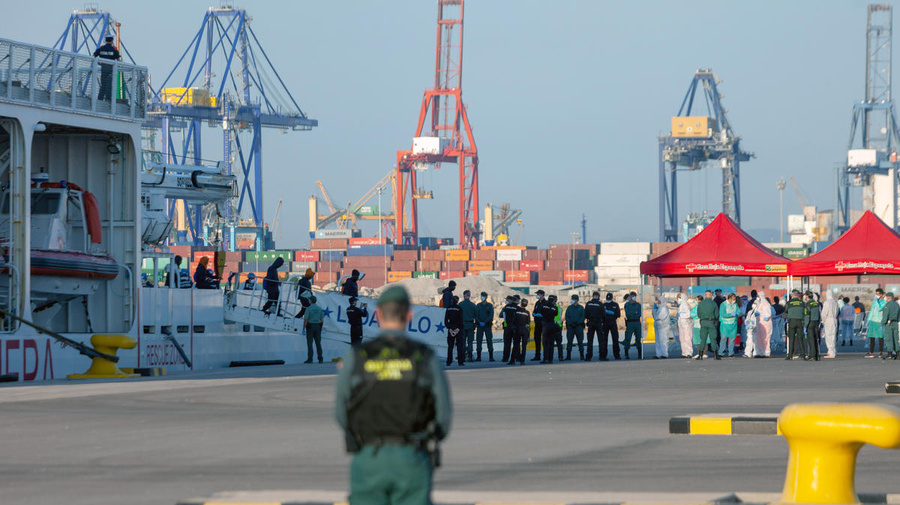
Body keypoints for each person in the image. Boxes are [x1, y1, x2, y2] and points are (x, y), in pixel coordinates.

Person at [334, 285, 451, 505]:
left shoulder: (358, 356)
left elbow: (341, 411)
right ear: (409, 315)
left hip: (368, 458)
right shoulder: (423, 356)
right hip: (411, 457)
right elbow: (443, 415)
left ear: (378, 315)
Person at [93, 35, 121, 102]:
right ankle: (108, 99)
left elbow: (94, 56)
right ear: (112, 40)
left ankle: (100, 99)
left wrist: (99, 63)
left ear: (105, 40)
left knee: (103, 84)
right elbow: (118, 60)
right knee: (109, 85)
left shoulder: (101, 48)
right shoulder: (114, 49)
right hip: (110, 69)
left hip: (103, 69)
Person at [696, 291, 720, 360]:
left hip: (703, 321)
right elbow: (716, 315)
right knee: (713, 338)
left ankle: (700, 354)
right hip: (711, 322)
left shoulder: (701, 303)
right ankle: (715, 354)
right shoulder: (713, 303)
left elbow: (698, 314)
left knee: (703, 339)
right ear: (710, 295)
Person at [785, 290, 807, 360]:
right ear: (798, 296)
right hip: (800, 321)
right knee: (800, 339)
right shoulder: (802, 303)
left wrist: (788, 318)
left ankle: (790, 355)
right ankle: (803, 355)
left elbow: (785, 313)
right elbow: (805, 313)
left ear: (792, 295)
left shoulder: (789, 303)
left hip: (792, 321)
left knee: (791, 339)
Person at [540, 295, 562, 364]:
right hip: (552, 325)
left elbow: (541, 312)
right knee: (551, 343)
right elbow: (555, 314)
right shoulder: (555, 307)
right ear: (554, 300)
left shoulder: (544, 306)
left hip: (545, 325)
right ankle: (550, 359)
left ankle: (545, 358)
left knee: (545, 343)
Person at [444, 296, 464, 366]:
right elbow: (461, 320)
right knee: (459, 347)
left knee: (450, 347)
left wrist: (449, 328)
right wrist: (458, 329)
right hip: (458, 329)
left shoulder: (448, 308)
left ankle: (449, 361)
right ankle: (460, 362)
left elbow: (446, 320)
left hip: (450, 328)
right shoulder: (459, 308)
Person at [474, 292, 494, 362]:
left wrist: (485, 322)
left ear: (486, 297)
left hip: (487, 325)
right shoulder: (478, 305)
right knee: (479, 341)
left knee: (489, 340)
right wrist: (479, 321)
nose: (483, 297)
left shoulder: (490, 305)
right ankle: (478, 356)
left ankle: (491, 357)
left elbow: (491, 315)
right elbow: (476, 315)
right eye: (482, 296)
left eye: (484, 296)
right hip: (479, 326)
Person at [458, 290, 477, 363]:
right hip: (470, 325)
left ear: (464, 295)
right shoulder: (473, 305)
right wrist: (475, 325)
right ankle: (470, 356)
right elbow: (476, 316)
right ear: (469, 295)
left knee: (463, 342)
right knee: (470, 342)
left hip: (462, 325)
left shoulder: (460, 304)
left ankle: (462, 357)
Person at [304, 296, 324, 363]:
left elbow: (306, 319)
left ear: (311, 301)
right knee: (318, 343)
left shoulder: (308, 309)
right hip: (318, 326)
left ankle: (310, 359)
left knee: (310, 343)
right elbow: (322, 319)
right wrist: (320, 327)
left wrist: (304, 327)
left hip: (310, 326)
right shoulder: (319, 309)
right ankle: (320, 359)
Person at [565, 294, 586, 361]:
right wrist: (570, 323)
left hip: (578, 327)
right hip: (570, 327)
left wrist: (578, 323)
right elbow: (566, 316)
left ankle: (582, 355)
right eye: (572, 299)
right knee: (569, 341)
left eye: (573, 299)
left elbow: (583, 317)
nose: (572, 300)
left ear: (577, 300)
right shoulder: (569, 308)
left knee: (580, 341)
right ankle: (568, 356)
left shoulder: (581, 308)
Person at [584, 292, 604, 361]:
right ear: (598, 296)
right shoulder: (600, 304)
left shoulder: (588, 303)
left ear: (593, 296)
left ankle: (588, 356)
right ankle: (602, 356)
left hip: (591, 322)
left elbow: (585, 314)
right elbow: (603, 314)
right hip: (598, 323)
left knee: (590, 341)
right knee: (601, 340)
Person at [602, 292, 622, 360]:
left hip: (613, 322)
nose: (608, 299)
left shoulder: (615, 305)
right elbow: (601, 314)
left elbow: (618, 314)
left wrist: (612, 313)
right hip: (605, 323)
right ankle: (603, 355)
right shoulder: (603, 305)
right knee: (604, 340)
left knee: (615, 339)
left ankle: (617, 355)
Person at [867, 289, 886, 358]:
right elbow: (872, 311)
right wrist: (868, 320)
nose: (876, 295)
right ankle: (871, 352)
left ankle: (880, 352)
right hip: (873, 321)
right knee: (871, 337)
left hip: (879, 321)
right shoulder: (874, 302)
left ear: (881, 295)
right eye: (876, 294)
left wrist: (877, 301)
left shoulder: (884, 302)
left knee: (880, 337)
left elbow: (879, 308)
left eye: (878, 294)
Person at [623, 292, 642, 359]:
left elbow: (639, 313)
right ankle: (626, 353)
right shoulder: (627, 305)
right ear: (630, 296)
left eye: (635, 296)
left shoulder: (638, 305)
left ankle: (640, 353)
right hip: (630, 323)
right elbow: (628, 314)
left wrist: (633, 313)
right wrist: (635, 312)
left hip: (637, 322)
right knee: (628, 338)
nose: (634, 297)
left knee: (638, 338)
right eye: (632, 296)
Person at [821, 291, 840, 359]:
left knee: (828, 336)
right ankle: (833, 350)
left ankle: (830, 352)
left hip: (828, 320)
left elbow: (824, 312)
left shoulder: (827, 302)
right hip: (834, 319)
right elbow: (837, 311)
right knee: (833, 335)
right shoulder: (835, 302)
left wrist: (823, 319)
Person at [754, 292, 774, 357]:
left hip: (766, 324)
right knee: (759, 338)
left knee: (766, 339)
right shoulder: (759, 304)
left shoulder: (766, 304)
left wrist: (761, 314)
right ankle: (760, 352)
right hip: (760, 324)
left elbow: (768, 314)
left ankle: (766, 352)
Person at [500, 296, 518, 363]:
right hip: (514, 327)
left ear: (511, 300)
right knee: (515, 343)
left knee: (507, 343)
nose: (506, 301)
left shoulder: (506, 307)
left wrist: (505, 324)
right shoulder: (517, 307)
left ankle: (505, 358)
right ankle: (515, 357)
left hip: (507, 326)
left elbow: (502, 315)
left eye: (507, 300)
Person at [882, 292, 900, 360]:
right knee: (895, 338)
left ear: (888, 297)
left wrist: (882, 323)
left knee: (889, 338)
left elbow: (885, 315)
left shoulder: (887, 305)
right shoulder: (896, 304)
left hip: (889, 323)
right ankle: (897, 353)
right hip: (895, 323)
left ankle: (890, 353)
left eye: (886, 297)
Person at [531, 290, 548, 361]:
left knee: (545, 340)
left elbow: (547, 313)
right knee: (537, 339)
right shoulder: (537, 303)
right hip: (537, 323)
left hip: (543, 323)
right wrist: (534, 314)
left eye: (538, 294)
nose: (537, 295)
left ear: (542, 295)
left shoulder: (546, 303)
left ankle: (545, 356)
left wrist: (541, 315)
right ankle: (537, 355)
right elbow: (535, 310)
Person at [805, 291, 821, 361]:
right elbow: (819, 313)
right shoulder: (815, 303)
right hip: (816, 322)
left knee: (811, 340)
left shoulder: (808, 304)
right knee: (816, 339)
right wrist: (818, 322)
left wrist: (805, 325)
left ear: (807, 296)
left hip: (810, 322)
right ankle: (817, 355)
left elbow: (807, 315)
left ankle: (812, 355)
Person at [676, 293, 693, 358]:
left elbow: (688, 314)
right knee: (682, 339)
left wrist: (681, 315)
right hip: (681, 324)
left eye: (679, 298)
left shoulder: (686, 305)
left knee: (687, 338)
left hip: (686, 324)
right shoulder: (681, 306)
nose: (678, 299)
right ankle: (684, 353)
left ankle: (689, 352)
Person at [516, 299, 531, 365]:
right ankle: (522, 360)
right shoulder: (527, 312)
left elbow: (514, 320)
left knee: (517, 344)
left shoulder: (517, 311)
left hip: (518, 329)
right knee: (524, 346)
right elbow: (528, 322)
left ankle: (517, 357)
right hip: (525, 330)